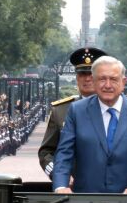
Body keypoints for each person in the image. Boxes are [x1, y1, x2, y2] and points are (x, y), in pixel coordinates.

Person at [51, 56, 127, 194]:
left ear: (123, 82)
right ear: (94, 81)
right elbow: (64, 153)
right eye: (102, 79)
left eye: (113, 79)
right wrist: (60, 186)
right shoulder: (77, 111)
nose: (107, 85)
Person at [39, 46, 105, 178]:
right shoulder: (61, 110)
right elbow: (46, 152)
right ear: (76, 78)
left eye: (91, 74)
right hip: (72, 187)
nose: (87, 79)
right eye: (82, 74)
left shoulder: (115, 108)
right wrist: (58, 174)